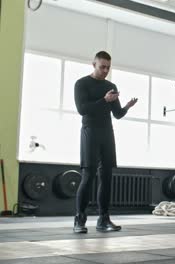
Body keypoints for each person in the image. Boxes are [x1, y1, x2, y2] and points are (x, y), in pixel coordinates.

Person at [73, 51, 138, 233]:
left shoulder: (111, 85)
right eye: (102, 67)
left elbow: (117, 114)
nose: (105, 70)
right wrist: (104, 100)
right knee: (88, 176)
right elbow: (82, 109)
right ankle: (79, 219)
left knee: (107, 177)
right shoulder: (82, 84)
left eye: (108, 67)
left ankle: (103, 219)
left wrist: (126, 106)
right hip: (90, 132)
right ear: (93, 64)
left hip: (107, 133)